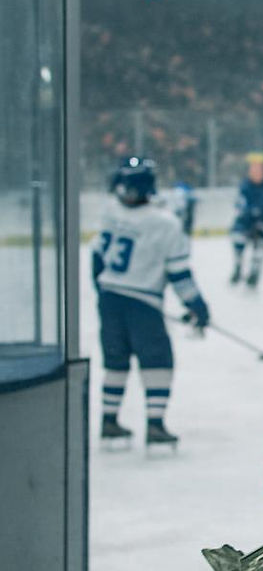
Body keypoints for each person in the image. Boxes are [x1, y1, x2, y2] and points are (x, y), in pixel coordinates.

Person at [93, 156, 210, 447]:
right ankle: (155, 424)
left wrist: (104, 290)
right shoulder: (165, 222)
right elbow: (178, 274)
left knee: (115, 361)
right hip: (142, 304)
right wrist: (196, 306)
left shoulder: (110, 212)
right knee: (158, 360)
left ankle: (109, 420)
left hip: (109, 299)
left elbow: (96, 260)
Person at [230, 151, 263, 287]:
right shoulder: (245, 186)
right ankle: (238, 266)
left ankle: (254, 273)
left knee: (260, 246)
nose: (255, 172)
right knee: (238, 237)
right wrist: (249, 215)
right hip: (246, 222)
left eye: (259, 169)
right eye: (253, 169)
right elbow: (239, 207)